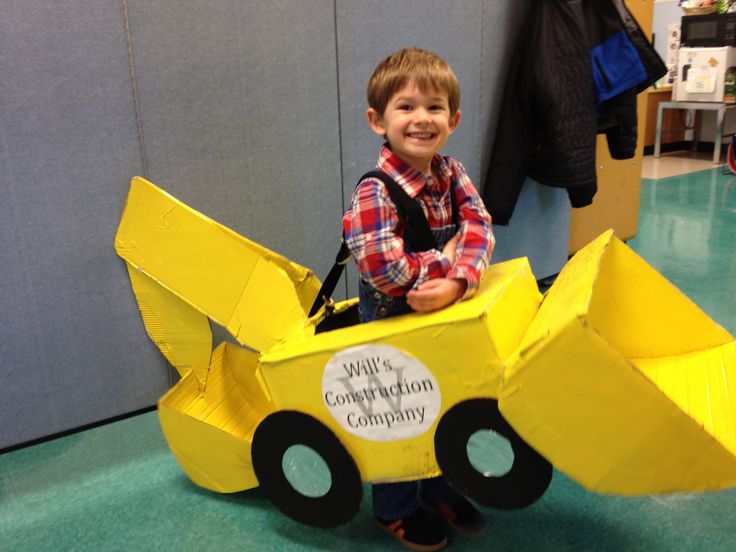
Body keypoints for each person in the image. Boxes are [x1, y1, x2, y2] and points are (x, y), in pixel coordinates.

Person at [342, 47, 495, 551]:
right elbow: (385, 271)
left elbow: (479, 226)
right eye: (405, 106)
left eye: (434, 107)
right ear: (377, 120)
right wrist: (445, 258)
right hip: (390, 334)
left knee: (443, 404)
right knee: (398, 417)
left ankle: (434, 483)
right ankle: (395, 507)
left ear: (452, 119)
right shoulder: (375, 192)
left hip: (443, 320)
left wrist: (456, 280)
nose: (421, 118)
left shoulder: (452, 173)